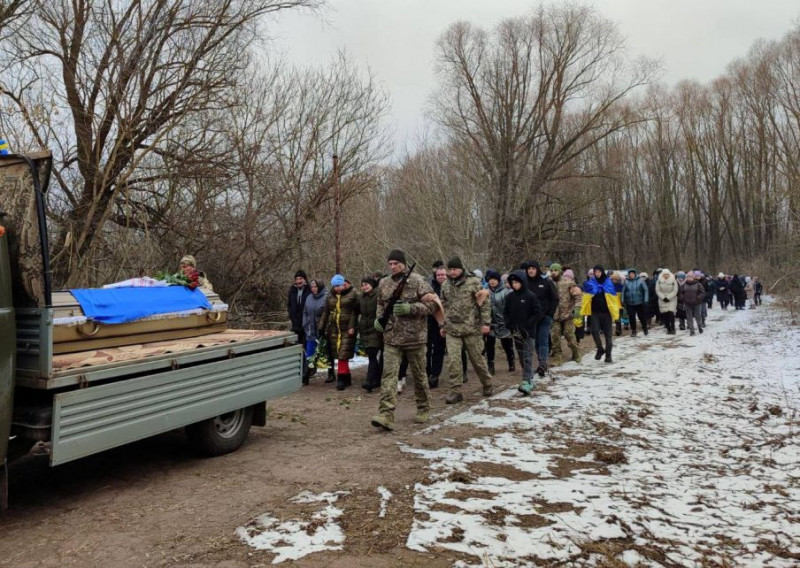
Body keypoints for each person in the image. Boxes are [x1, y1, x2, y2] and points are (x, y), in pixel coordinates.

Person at [371, 250, 437, 431]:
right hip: (391, 338)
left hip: (415, 337)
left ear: (403, 263)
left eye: (396, 263)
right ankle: (386, 414)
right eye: (390, 263)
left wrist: (411, 308)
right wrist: (378, 320)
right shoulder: (384, 283)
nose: (393, 267)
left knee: (419, 376)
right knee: (389, 376)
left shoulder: (417, 281)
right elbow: (380, 304)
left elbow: (432, 305)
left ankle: (423, 407)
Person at [440, 257, 494, 404]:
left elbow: (485, 303)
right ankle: (455, 390)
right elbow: (442, 306)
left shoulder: (473, 282)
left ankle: (487, 383)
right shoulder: (445, 285)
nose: (452, 272)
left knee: (477, 359)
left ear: (461, 269)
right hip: (452, 329)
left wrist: (486, 323)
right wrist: (443, 325)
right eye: (450, 270)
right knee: (453, 361)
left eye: (454, 269)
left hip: (472, 328)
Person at [503, 271, 543, 395]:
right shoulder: (510, 297)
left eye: (517, 282)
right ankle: (529, 378)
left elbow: (537, 313)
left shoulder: (531, 296)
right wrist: (508, 324)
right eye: (512, 283)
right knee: (520, 356)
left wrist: (529, 325)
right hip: (515, 332)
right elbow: (506, 312)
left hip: (528, 333)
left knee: (527, 356)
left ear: (522, 282)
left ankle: (526, 381)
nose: (514, 285)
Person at [319, 274, 359, 391]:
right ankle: (347, 377)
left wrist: (353, 325)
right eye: (335, 286)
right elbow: (326, 312)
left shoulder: (353, 294)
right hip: (334, 329)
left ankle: (341, 379)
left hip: (348, 328)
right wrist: (321, 327)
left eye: (339, 285)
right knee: (340, 354)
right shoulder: (330, 296)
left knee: (343, 354)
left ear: (343, 284)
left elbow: (356, 311)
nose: (337, 288)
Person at [523, 260, 559, 376]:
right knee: (535, 342)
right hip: (531, 318)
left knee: (543, 340)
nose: (531, 271)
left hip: (545, 317)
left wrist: (550, 314)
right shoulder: (524, 283)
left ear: (537, 269)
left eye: (533, 268)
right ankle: (540, 362)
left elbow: (555, 299)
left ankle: (543, 363)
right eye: (529, 269)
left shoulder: (546, 282)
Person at [581, 266, 618, 363]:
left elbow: (613, 297)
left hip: (607, 312)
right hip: (595, 312)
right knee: (594, 331)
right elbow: (586, 296)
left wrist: (615, 311)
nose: (597, 273)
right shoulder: (591, 283)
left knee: (608, 334)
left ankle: (608, 355)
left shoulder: (608, 283)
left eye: (598, 271)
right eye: (595, 272)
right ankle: (600, 348)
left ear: (602, 272)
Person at [549, 263, 582, 364]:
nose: (553, 272)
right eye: (552, 270)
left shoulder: (568, 282)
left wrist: (577, 308)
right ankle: (557, 357)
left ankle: (576, 353)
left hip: (567, 314)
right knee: (555, 337)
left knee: (569, 335)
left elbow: (578, 296)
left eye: (555, 270)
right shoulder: (548, 283)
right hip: (554, 315)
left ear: (560, 271)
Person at [485, 269, 515, 374]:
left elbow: (510, 308)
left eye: (494, 279)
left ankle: (511, 361)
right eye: (490, 279)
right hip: (490, 322)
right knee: (489, 344)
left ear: (498, 280)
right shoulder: (485, 291)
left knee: (507, 344)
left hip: (504, 322)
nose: (492, 281)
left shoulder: (506, 292)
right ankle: (490, 365)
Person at [358, 275, 383, 392]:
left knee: (373, 355)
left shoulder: (378, 295)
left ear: (372, 285)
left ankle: (369, 380)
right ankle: (377, 379)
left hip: (376, 329)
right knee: (372, 356)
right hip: (364, 330)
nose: (364, 287)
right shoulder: (361, 298)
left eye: (366, 284)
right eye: (362, 285)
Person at [301, 279, 328, 385]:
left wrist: (323, 327)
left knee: (324, 355)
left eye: (316, 287)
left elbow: (327, 314)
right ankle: (306, 376)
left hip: (321, 331)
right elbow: (305, 312)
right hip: (310, 330)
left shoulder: (326, 297)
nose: (314, 289)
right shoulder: (309, 297)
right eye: (312, 287)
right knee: (310, 354)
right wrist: (305, 324)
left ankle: (332, 374)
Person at [426, 267, 448, 388]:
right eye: (438, 275)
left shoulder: (451, 287)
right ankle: (430, 373)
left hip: (446, 321)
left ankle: (435, 375)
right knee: (429, 349)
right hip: (431, 321)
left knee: (441, 349)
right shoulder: (430, 287)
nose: (441, 277)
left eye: (443, 275)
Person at [622, 269, 649, 337]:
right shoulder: (626, 281)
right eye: (630, 274)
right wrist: (622, 300)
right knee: (631, 317)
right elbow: (623, 292)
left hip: (639, 302)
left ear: (635, 274)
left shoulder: (640, 280)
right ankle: (634, 330)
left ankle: (645, 328)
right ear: (629, 275)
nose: (631, 275)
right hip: (629, 303)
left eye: (633, 274)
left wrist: (645, 300)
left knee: (641, 317)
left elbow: (646, 290)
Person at [287, 270, 311, 346]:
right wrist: (291, 314)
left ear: (304, 279)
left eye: (300, 279)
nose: (299, 281)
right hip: (295, 324)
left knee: (305, 345)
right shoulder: (292, 290)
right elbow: (289, 304)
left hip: (306, 325)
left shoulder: (309, 290)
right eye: (297, 279)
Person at [656, 269, 678, 335]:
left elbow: (675, 290)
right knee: (665, 314)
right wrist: (663, 297)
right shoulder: (659, 281)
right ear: (662, 274)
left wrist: (668, 297)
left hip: (672, 298)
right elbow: (657, 290)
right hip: (662, 299)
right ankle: (668, 329)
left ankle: (673, 328)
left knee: (671, 313)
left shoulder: (673, 280)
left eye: (667, 274)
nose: (666, 276)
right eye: (664, 274)